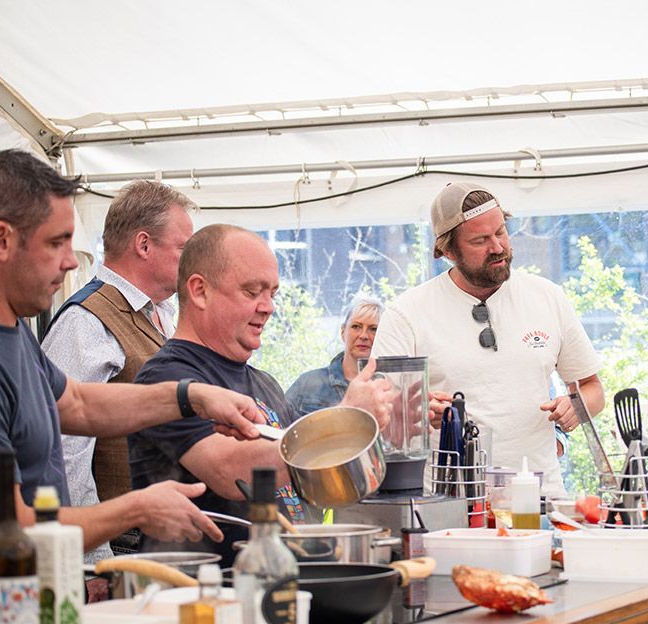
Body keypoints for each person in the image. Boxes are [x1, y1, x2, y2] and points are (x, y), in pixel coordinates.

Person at [0, 148, 264, 549]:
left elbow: (79, 404)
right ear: (1, 240)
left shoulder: (13, 333)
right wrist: (132, 512)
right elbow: (0, 532)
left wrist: (190, 396)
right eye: (57, 244)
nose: (69, 263)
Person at [128, 224, 392, 565]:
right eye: (252, 292)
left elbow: (312, 480)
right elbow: (228, 471)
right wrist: (345, 419)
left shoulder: (264, 383)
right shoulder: (169, 379)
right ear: (199, 291)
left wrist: (388, 424)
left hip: (282, 581)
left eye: (273, 294)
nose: (268, 307)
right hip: (210, 595)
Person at [372, 182, 605, 497]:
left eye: (501, 232)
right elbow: (382, 418)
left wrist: (577, 407)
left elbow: (592, 390)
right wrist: (418, 413)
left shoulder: (547, 297)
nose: (497, 247)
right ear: (448, 251)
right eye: (480, 240)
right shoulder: (407, 313)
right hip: (450, 505)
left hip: (538, 501)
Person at [42, 180, 196, 562]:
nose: (191, 261)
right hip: (118, 544)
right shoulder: (86, 320)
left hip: (152, 539)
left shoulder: (158, 314)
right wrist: (92, 557)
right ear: (143, 245)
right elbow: (64, 451)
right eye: (183, 249)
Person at [286, 294, 384, 415]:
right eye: (356, 326)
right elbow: (278, 429)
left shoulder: (386, 390)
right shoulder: (307, 384)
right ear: (343, 332)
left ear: (382, 336)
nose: (363, 335)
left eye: (373, 329)